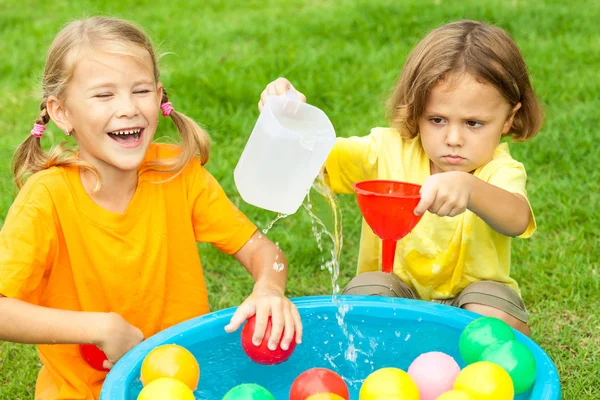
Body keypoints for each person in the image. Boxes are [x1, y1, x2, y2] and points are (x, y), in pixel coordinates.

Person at [0, 16, 302, 399]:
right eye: (103, 95)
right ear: (61, 112)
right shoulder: (46, 201)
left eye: (140, 90)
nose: (128, 108)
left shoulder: (177, 173)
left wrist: (269, 289)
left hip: (183, 385)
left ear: (159, 97)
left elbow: (266, 252)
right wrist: (99, 327)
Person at [259, 20, 543, 336]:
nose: (453, 138)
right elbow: (314, 159)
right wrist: (289, 120)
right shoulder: (387, 149)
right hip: (396, 294)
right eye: (437, 119)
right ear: (415, 108)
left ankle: (469, 364)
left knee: (496, 314)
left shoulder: (500, 170)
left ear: (509, 119)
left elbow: (516, 219)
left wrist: (471, 189)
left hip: (470, 303)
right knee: (365, 298)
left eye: (474, 123)